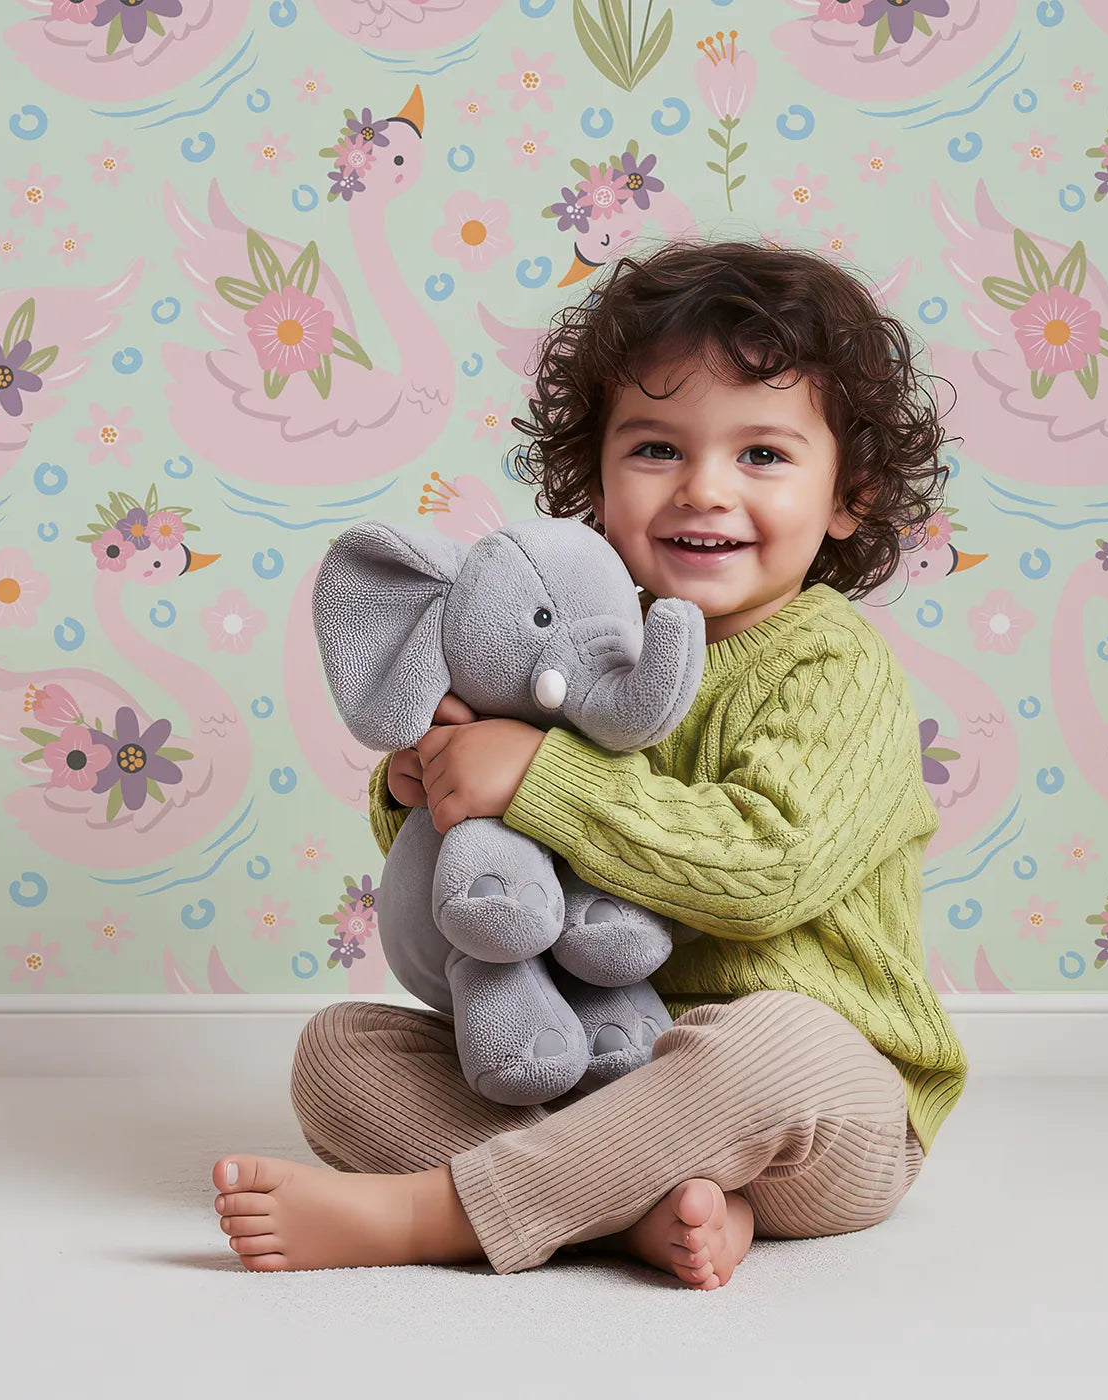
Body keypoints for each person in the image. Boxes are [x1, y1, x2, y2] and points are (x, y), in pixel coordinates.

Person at [209, 236, 969, 1288]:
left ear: (847, 494)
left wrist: (535, 777)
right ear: (593, 478)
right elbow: (475, 868)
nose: (703, 489)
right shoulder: (573, 643)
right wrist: (423, 780)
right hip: (601, 1066)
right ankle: (628, 1207)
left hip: (811, 1109)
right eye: (655, 448)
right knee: (338, 1054)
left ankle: (445, 1212)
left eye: (760, 454)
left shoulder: (832, 661)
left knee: (776, 1042)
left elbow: (765, 870)